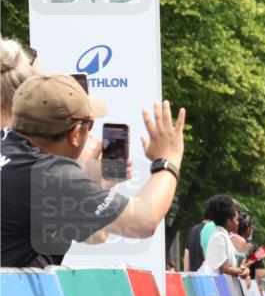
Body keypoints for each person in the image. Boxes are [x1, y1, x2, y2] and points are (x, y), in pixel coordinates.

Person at [2, 73, 184, 267]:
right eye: (89, 124)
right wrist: (168, 159)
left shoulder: (14, 152)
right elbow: (144, 220)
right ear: (75, 134)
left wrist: (95, 184)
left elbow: (96, 235)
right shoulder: (51, 174)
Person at [202, 195, 250, 279]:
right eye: (236, 219)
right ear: (229, 222)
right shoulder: (218, 237)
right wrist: (241, 271)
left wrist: (244, 269)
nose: (238, 223)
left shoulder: (223, 236)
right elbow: (224, 269)